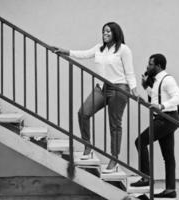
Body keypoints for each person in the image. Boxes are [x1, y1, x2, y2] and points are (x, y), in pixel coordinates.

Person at [54, 22, 138, 173]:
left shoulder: (124, 50)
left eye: (108, 32)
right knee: (83, 113)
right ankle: (88, 146)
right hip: (101, 87)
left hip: (119, 88)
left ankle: (114, 159)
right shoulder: (99, 48)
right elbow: (84, 54)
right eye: (104, 31)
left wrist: (134, 90)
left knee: (115, 125)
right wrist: (65, 52)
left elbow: (129, 72)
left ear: (116, 33)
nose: (105, 34)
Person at [130, 54, 179, 198]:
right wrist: (145, 86)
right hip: (167, 119)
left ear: (159, 66)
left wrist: (161, 106)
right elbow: (156, 96)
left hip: (166, 118)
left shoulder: (168, 80)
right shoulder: (158, 81)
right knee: (168, 156)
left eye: (151, 64)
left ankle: (146, 177)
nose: (148, 66)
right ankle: (170, 190)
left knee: (140, 141)